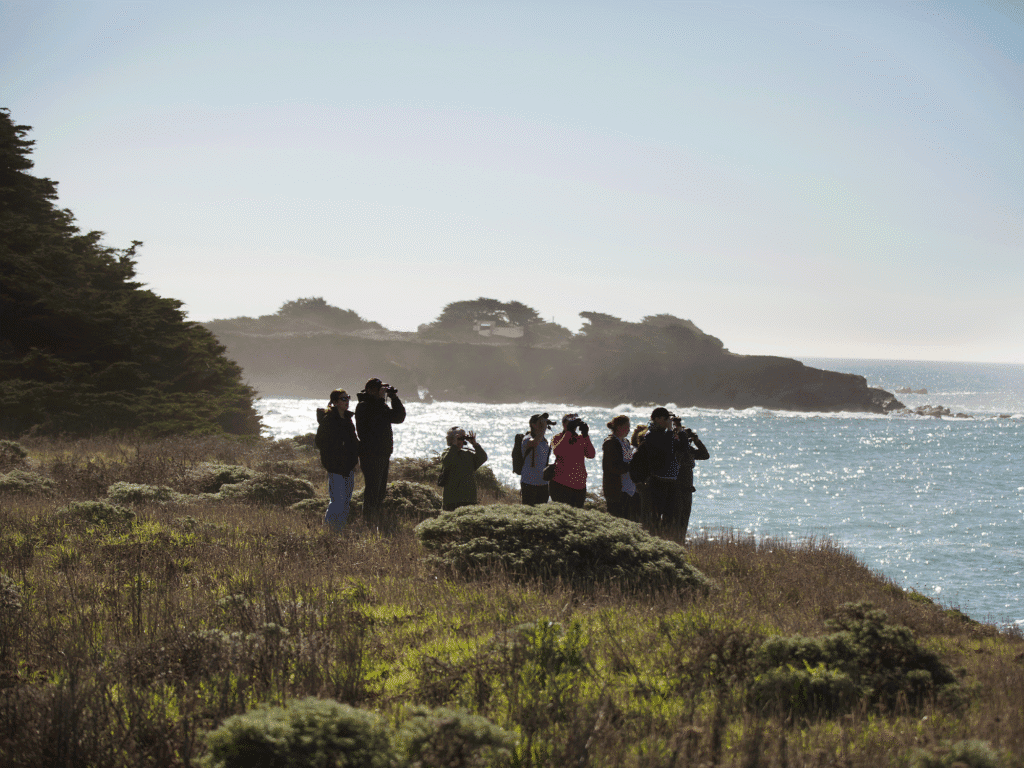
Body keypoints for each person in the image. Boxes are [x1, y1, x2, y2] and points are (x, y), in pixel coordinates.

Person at [354, 377, 406, 522]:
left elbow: (398, 417)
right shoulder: (364, 406)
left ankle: (375, 518)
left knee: (380, 491)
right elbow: (367, 427)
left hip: (383, 453)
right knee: (372, 489)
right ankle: (368, 520)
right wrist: (381, 400)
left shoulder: (381, 406)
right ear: (370, 390)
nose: (382, 393)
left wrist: (394, 398)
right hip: (370, 454)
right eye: (380, 390)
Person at [314, 389, 360, 532]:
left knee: (346, 503)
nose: (347, 401)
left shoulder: (347, 419)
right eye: (343, 399)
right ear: (334, 402)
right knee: (337, 502)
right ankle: (328, 530)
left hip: (348, 467)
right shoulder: (328, 420)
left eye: (348, 398)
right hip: (335, 468)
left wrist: (356, 455)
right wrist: (335, 453)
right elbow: (320, 442)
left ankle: (339, 531)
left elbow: (353, 442)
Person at [643, 406, 685, 535]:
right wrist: (671, 429)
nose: (668, 421)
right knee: (656, 515)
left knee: (670, 515)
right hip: (658, 479)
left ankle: (665, 538)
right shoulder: (651, 434)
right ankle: (655, 538)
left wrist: (679, 428)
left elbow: (683, 447)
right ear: (657, 419)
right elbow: (666, 446)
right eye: (666, 418)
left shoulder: (666, 434)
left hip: (670, 479)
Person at [672, 417, 710, 542]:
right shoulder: (675, 448)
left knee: (684, 518)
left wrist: (697, 441)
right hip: (676, 488)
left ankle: (680, 541)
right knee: (675, 519)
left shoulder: (689, 450)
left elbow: (705, 455)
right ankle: (674, 541)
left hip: (687, 489)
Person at [548, 412, 595, 508]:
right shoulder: (558, 438)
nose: (573, 426)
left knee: (575, 518)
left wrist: (586, 435)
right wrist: (568, 432)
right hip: (561, 483)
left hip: (579, 485)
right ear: (563, 424)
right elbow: (558, 451)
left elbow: (591, 454)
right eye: (570, 423)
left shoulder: (581, 438)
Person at [440, 426, 488, 511]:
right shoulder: (447, 453)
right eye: (459, 439)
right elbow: (447, 461)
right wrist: (454, 445)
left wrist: (475, 444)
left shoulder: (468, 455)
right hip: (452, 499)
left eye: (462, 439)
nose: (461, 441)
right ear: (451, 440)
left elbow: (483, 457)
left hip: (469, 498)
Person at [602, 414, 638, 520]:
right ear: (619, 427)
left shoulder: (625, 442)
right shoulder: (611, 442)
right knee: (617, 518)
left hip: (629, 488)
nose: (629, 429)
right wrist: (631, 466)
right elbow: (613, 467)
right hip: (616, 489)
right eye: (626, 427)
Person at [520, 412, 554, 505]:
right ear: (533, 425)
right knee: (529, 512)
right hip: (529, 482)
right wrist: (543, 429)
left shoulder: (544, 441)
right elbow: (534, 443)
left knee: (541, 514)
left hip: (543, 483)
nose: (543, 425)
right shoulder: (527, 438)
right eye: (540, 423)